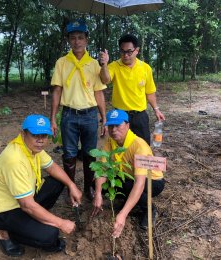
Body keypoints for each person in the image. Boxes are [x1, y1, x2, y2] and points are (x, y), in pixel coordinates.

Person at [0, 114, 82, 257]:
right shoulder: (14, 159)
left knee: (58, 181)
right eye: (35, 135)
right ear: (23, 134)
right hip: (3, 211)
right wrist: (61, 223)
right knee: (51, 236)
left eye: (44, 135)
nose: (40, 140)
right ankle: (3, 233)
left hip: (22, 200)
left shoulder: (33, 148)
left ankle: (31, 221)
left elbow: (52, 167)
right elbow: (27, 205)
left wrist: (71, 185)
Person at [51, 20, 107, 201]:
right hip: (69, 115)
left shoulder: (94, 64)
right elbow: (57, 90)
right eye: (73, 38)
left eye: (81, 38)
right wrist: (52, 118)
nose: (77, 42)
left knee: (91, 154)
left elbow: (99, 93)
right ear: (68, 40)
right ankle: (71, 187)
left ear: (87, 40)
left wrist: (103, 118)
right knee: (69, 154)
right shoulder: (62, 63)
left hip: (90, 115)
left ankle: (89, 187)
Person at [92, 109, 165, 237]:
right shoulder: (110, 142)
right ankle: (130, 201)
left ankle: (149, 210)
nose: (113, 130)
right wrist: (98, 194)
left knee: (128, 185)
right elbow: (103, 170)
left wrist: (123, 214)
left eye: (118, 125)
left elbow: (140, 183)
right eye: (110, 126)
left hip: (152, 182)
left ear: (127, 125)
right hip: (128, 175)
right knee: (97, 184)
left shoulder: (139, 146)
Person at [99, 34, 165, 145]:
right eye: (122, 51)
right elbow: (105, 80)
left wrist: (156, 109)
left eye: (129, 52)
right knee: (121, 147)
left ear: (136, 50)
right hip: (120, 116)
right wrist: (104, 64)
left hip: (140, 115)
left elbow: (149, 92)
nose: (125, 55)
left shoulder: (145, 68)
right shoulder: (114, 66)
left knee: (142, 146)